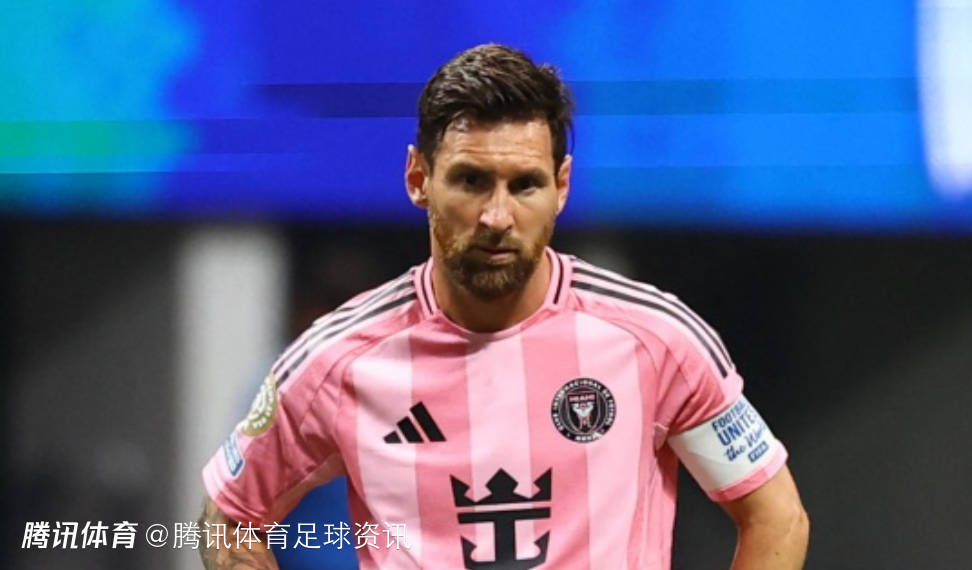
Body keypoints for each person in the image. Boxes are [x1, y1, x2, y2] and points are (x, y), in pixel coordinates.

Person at [198, 43, 810, 570]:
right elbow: (228, 518)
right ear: (418, 178)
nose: (497, 216)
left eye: (525, 185)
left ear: (561, 186)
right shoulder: (335, 361)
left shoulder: (657, 340)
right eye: (471, 181)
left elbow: (775, 516)